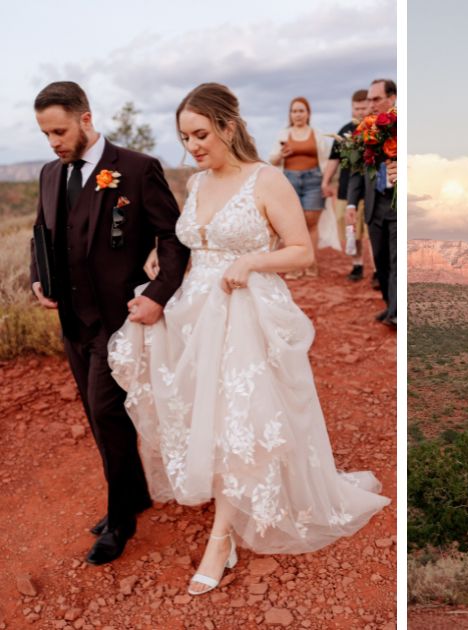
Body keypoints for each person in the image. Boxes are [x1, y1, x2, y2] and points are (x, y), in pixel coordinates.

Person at [106, 83, 390, 596]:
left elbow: (301, 251)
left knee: (240, 417)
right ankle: (226, 506)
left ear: (228, 127)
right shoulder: (195, 184)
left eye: (200, 134)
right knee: (202, 412)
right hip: (195, 310)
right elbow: (192, 242)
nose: (192, 145)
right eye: (184, 137)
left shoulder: (267, 180)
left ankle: (221, 538)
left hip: (245, 310)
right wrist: (159, 260)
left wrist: (252, 259)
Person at [28, 81, 190, 566]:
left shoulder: (137, 169)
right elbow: (42, 230)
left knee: (107, 413)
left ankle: (121, 520)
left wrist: (159, 295)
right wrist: (40, 278)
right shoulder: (49, 174)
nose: (53, 142)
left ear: (86, 119)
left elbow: (173, 238)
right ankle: (135, 495)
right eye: (45, 134)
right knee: (96, 414)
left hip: (119, 321)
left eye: (59, 130)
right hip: (72, 321)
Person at [345, 78, 398, 327]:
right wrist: (352, 204)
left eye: (376, 99)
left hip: (397, 205)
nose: (371, 104)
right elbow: (357, 172)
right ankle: (390, 307)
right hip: (375, 205)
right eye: (369, 100)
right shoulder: (365, 130)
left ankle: (397, 313)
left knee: (397, 260)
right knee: (381, 259)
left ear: (392, 98)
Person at [268, 96, 330, 278]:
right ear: (290, 114)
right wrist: (281, 154)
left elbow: (327, 160)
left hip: (314, 179)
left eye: (301, 111)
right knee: (291, 223)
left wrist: (326, 182)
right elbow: (272, 160)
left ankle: (310, 262)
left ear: (308, 113)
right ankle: (294, 265)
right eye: (294, 111)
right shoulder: (283, 135)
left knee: (311, 221)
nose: (298, 114)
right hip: (289, 180)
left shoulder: (317, 134)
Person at [321, 88, 372, 282]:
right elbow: (333, 160)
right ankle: (357, 264)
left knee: (370, 231)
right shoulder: (344, 132)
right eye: (356, 108)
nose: (360, 111)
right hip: (345, 189)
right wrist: (325, 182)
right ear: (352, 107)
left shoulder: (375, 129)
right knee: (352, 231)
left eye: (363, 107)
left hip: (369, 189)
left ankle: (377, 270)